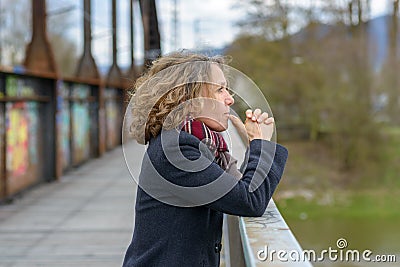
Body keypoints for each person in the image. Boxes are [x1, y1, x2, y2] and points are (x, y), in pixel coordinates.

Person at [123, 51, 288, 267]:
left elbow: (240, 188)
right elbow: (249, 201)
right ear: (188, 99)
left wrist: (254, 146)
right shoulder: (177, 150)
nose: (230, 99)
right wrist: (261, 145)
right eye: (220, 89)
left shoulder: (193, 143)